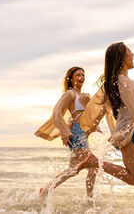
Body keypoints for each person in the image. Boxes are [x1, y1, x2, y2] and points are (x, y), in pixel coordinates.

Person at [76, 42, 134, 213]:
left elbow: (132, 110)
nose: (133, 54)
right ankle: (94, 162)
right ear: (122, 57)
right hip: (128, 133)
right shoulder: (122, 81)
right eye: (129, 52)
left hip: (133, 130)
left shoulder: (123, 81)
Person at [35, 67, 97, 200]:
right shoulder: (70, 94)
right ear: (71, 78)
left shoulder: (83, 95)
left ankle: (45, 191)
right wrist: (64, 132)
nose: (81, 77)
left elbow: (88, 115)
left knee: (73, 169)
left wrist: (93, 127)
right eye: (78, 75)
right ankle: (89, 199)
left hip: (81, 132)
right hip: (75, 133)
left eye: (83, 75)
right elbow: (57, 113)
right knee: (93, 165)